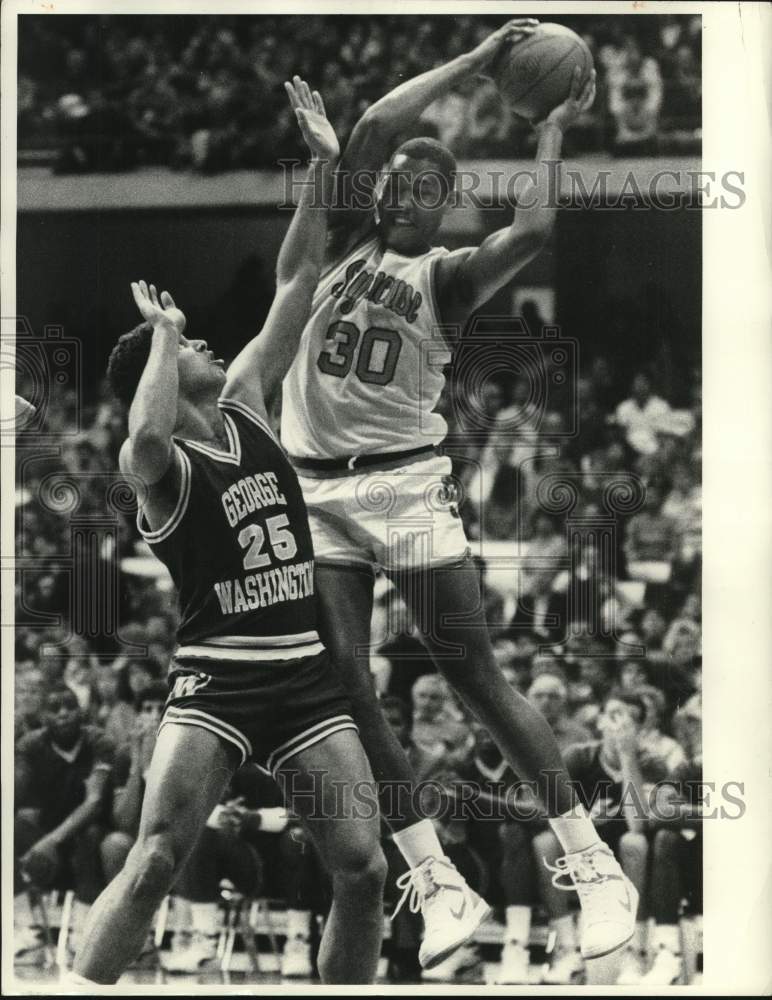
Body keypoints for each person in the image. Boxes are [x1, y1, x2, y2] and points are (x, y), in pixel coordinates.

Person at [280, 17, 636, 971]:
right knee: (345, 682)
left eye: (437, 189)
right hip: (313, 494)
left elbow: (537, 226)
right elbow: (371, 120)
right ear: (388, 188)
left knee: (469, 674)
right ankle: (435, 879)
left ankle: (595, 862)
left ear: (443, 210)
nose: (417, 192)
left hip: (403, 489)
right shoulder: (347, 229)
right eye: (408, 179)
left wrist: (550, 128)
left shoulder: (446, 278)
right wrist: (476, 63)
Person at [69, 79, 387, 987]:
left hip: (300, 677)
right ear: (163, 370)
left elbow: (294, 281)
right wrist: (163, 339)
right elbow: (142, 435)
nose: (209, 342)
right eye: (191, 346)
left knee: (362, 870)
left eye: (198, 339)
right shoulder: (159, 470)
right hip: (216, 679)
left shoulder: (247, 404)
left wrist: (322, 170)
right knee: (158, 858)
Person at [14, 686, 115, 957]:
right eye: (55, 709)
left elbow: (94, 804)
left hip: (88, 835)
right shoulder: (30, 745)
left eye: (69, 706)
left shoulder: (99, 742)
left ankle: (82, 932)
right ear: (43, 715)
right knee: (11, 829)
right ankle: (26, 928)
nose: (63, 714)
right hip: (47, 840)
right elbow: (12, 795)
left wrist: (51, 841)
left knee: (91, 835)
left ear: (81, 710)